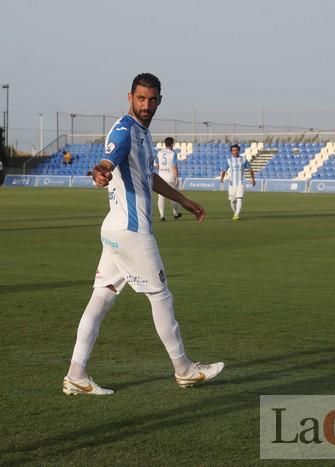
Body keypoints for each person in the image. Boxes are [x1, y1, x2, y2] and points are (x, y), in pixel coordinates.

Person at [63, 73, 224, 396]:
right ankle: (184, 369)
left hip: (114, 229)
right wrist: (102, 169)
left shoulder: (142, 133)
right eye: (140, 99)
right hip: (132, 231)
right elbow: (111, 157)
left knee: (102, 298)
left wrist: (184, 200)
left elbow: (147, 176)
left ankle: (76, 374)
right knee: (161, 296)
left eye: (152, 99)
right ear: (129, 98)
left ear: (159, 101)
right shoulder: (125, 130)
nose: (146, 105)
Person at [220, 144, 256, 221]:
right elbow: (224, 170)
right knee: (232, 200)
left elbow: (250, 169)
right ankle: (235, 212)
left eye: (236, 150)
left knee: (239, 198)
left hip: (241, 182)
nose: (235, 152)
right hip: (232, 183)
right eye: (233, 150)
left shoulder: (244, 160)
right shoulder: (228, 161)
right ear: (231, 152)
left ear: (239, 151)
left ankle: (236, 215)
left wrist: (252, 178)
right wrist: (222, 178)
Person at [155, 136, 182, 221]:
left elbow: (157, 165)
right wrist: (176, 178)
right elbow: (174, 166)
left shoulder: (159, 153)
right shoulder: (173, 153)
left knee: (161, 197)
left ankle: (162, 216)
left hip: (161, 177)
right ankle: (176, 214)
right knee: (173, 196)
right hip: (170, 177)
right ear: (172, 144)